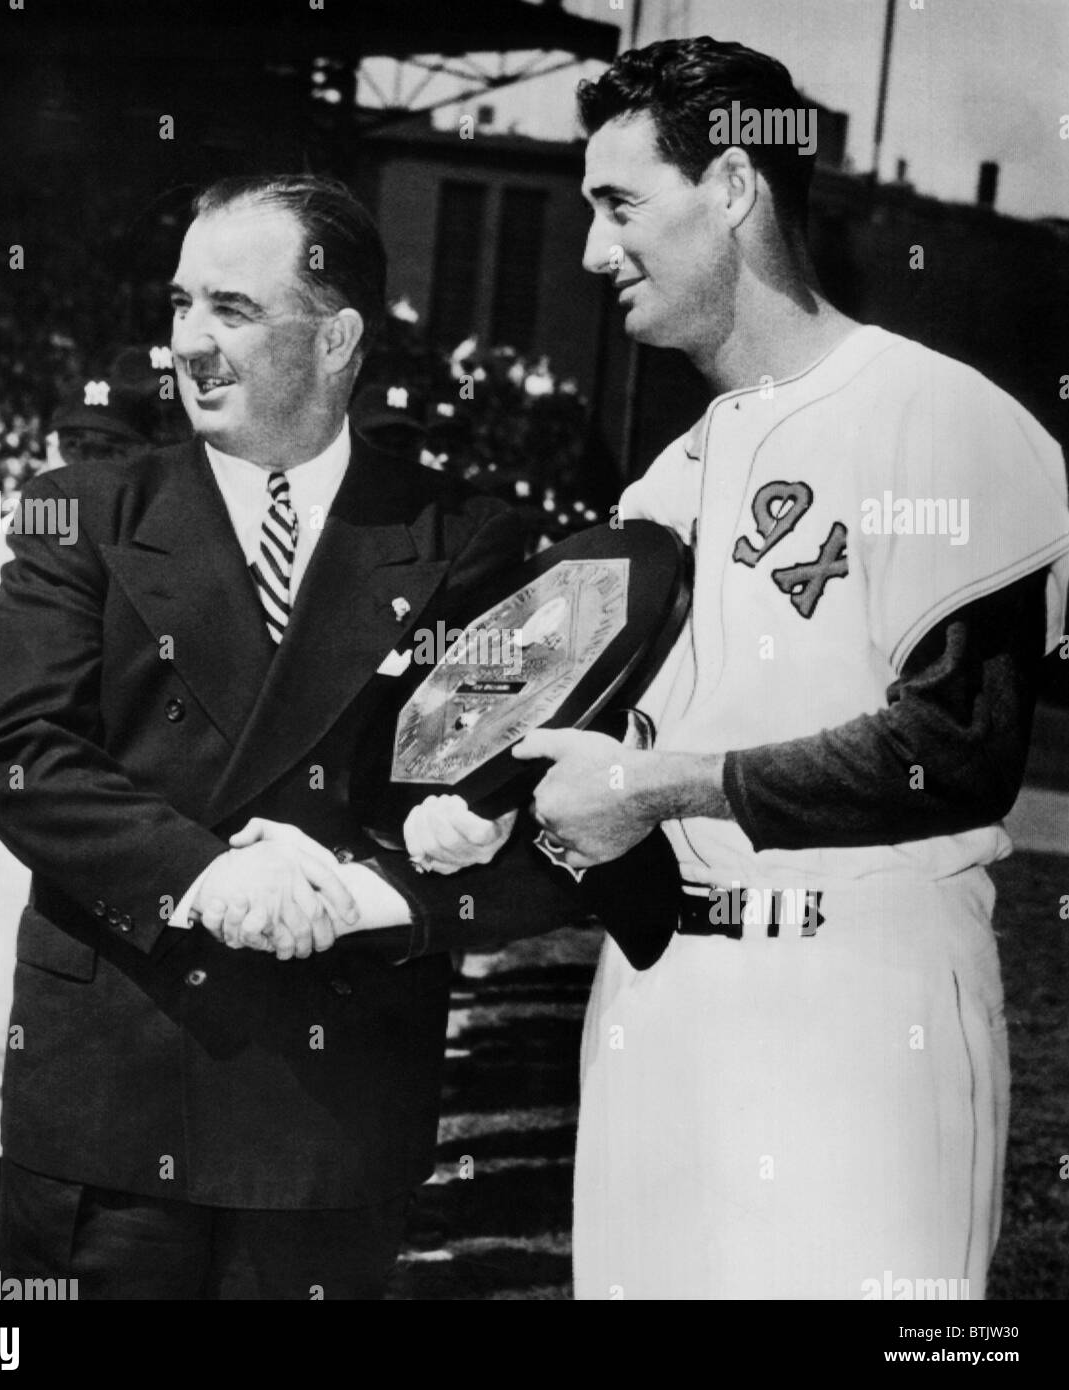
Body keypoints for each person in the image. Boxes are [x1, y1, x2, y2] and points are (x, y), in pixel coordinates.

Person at [413, 37, 1069, 1300]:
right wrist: (486, 809)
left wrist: (652, 790)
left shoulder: (939, 418)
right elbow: (551, 735)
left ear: (730, 187)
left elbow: (956, 751)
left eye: (618, 205)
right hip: (663, 990)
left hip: (864, 1004)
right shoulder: (669, 479)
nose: (594, 251)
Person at [0, 174, 582, 1300]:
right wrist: (204, 876)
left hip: (327, 1111)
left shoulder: (462, 536)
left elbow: (484, 788)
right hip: (110, 1090)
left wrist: (357, 885)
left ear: (338, 335)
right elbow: (21, 753)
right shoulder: (82, 508)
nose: (189, 342)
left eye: (231, 310)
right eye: (179, 304)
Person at [0, 374, 154, 1281]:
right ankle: (13, 1271)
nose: (90, 460)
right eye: (82, 443)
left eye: (107, 446)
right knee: (18, 1057)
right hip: (35, 815)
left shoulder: (21, 518)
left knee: (29, 1059)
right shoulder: (57, 526)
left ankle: (19, 1269)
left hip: (27, 813)